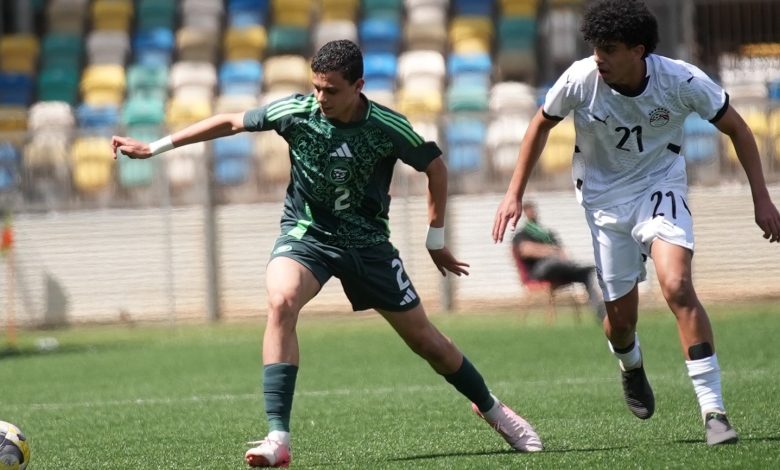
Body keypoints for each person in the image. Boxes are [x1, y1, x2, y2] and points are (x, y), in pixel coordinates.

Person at [112, 40, 542, 467]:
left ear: (358, 86)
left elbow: (435, 167)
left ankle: (492, 409)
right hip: (308, 236)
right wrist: (153, 148)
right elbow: (230, 122)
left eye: (331, 90)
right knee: (281, 301)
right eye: (316, 87)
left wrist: (435, 240)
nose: (321, 98)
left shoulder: (386, 126)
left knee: (427, 342)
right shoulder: (297, 113)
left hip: (367, 245)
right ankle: (278, 438)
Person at [492, 0, 780, 446]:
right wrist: (513, 193)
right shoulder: (581, 79)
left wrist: (762, 198)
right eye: (595, 48)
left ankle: (714, 412)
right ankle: (630, 364)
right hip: (604, 203)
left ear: (638, 51)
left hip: (659, 186)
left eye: (609, 49)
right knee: (620, 323)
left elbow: (739, 129)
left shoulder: (681, 81)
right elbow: (539, 125)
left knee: (677, 286)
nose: (598, 58)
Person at [512, 201, 606, 320]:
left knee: (589, 271)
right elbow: (526, 250)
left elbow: (562, 251)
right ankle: (572, 266)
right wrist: (550, 250)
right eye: (529, 210)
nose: (533, 213)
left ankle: (601, 311)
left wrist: (556, 253)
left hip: (559, 270)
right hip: (539, 271)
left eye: (534, 210)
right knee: (554, 263)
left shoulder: (547, 233)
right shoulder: (522, 234)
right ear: (525, 213)